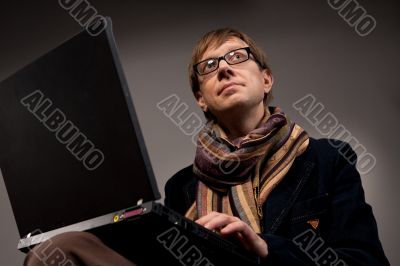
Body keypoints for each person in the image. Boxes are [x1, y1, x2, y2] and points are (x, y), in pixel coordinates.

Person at [24, 28, 389, 266]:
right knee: (60, 249)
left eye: (237, 57)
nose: (224, 70)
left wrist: (263, 247)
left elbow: (365, 261)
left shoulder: (327, 159)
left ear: (266, 79)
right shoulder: (181, 186)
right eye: (209, 66)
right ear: (201, 98)